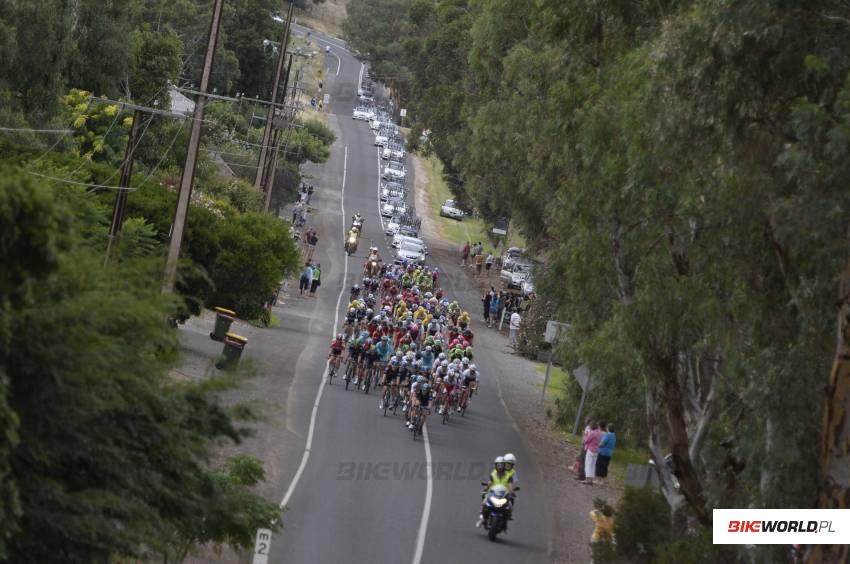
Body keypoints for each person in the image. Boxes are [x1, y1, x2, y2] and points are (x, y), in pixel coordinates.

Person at [477, 456, 515, 527]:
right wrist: (486, 488)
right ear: (496, 465)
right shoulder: (493, 475)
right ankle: (482, 518)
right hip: (493, 493)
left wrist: (511, 491)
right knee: (484, 502)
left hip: (504, 494)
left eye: (501, 465)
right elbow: (490, 482)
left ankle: (508, 516)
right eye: (498, 465)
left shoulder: (508, 476)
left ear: (504, 466)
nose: (500, 467)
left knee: (510, 505)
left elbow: (510, 485)